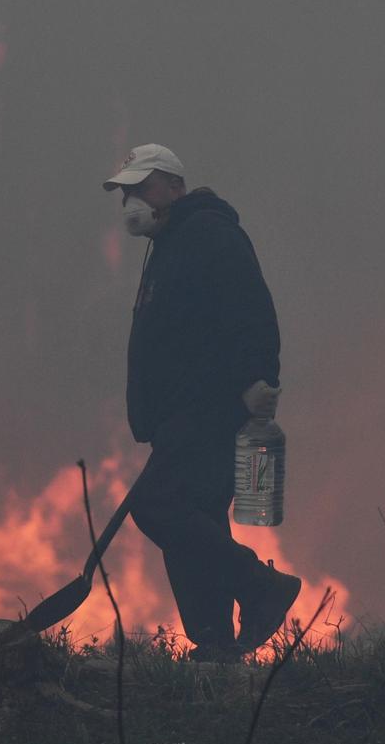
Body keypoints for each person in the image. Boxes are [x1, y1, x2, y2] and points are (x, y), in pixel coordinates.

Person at [103, 143, 301, 661]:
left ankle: (262, 588)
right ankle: (214, 644)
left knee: (159, 505)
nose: (131, 201)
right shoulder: (166, 246)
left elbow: (253, 309)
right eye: (125, 192)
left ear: (173, 186)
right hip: (179, 415)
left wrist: (261, 378)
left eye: (141, 188)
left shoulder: (209, 233)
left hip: (212, 407)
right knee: (199, 519)